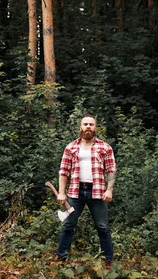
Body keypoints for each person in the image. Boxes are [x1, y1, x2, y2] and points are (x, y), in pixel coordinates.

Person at [56, 113, 117, 266]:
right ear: (80, 127)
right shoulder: (70, 147)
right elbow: (64, 171)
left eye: (91, 124)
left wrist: (109, 190)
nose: (88, 127)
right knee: (68, 225)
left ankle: (108, 260)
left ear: (95, 127)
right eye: (85, 124)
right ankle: (61, 258)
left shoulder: (105, 147)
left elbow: (111, 170)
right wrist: (62, 192)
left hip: (97, 192)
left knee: (102, 227)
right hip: (75, 193)